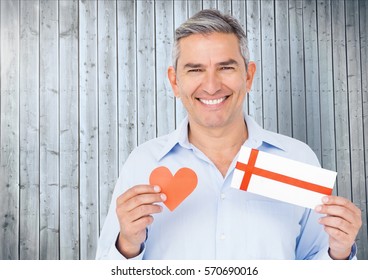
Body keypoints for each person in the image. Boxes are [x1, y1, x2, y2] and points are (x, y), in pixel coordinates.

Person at [96, 9, 361, 260]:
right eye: (195, 69)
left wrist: (339, 252)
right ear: (175, 81)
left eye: (226, 68)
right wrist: (128, 245)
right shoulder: (143, 163)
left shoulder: (296, 160)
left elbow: (316, 260)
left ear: (248, 76)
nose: (211, 86)